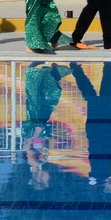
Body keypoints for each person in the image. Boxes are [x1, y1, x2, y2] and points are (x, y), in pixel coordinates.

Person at [21, 62, 70, 190]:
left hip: (35, 126)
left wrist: (37, 131)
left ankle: (31, 70)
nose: (50, 178)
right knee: (46, 99)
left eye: (47, 181)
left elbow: (27, 146)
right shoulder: (41, 162)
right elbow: (42, 146)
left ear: (40, 178)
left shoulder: (35, 162)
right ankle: (49, 73)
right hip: (40, 127)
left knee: (38, 99)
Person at [71, 62, 111, 188]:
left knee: (105, 97)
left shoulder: (104, 166)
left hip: (103, 128)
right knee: (92, 97)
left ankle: (107, 69)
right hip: (95, 130)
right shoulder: (96, 164)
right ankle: (77, 70)